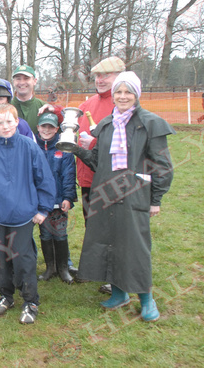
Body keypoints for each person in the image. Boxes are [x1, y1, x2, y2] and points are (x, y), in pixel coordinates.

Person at [71, 72, 174, 322]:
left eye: (128, 92)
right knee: (108, 242)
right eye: (119, 92)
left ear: (137, 94)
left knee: (135, 247)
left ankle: (147, 299)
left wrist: (155, 199)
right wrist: (76, 150)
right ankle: (119, 294)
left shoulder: (150, 123)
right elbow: (98, 161)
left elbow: (162, 165)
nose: (123, 96)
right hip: (105, 194)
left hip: (134, 194)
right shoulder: (106, 124)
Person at [0, 104, 56, 324]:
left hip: (23, 215)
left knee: (24, 260)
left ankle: (30, 301)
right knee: (0, 260)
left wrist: (43, 209)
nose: (5, 126)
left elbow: (44, 179)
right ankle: (5, 296)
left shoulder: (30, 147)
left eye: (9, 121)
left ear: (17, 121)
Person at [77, 56, 126, 221]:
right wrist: (54, 110)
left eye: (106, 75)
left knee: (110, 230)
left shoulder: (123, 106)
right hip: (87, 180)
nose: (100, 80)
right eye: (98, 76)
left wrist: (94, 143)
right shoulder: (88, 104)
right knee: (90, 227)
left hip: (111, 181)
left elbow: (129, 144)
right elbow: (69, 119)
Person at [35, 112, 77, 284]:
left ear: (57, 129)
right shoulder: (32, 147)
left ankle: (63, 268)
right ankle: (50, 268)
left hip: (59, 200)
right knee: (45, 234)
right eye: (43, 126)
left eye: (50, 127)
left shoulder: (63, 148)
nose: (46, 130)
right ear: (38, 128)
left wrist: (67, 197)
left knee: (59, 233)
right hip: (40, 202)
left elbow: (68, 175)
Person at [11, 65, 62, 135]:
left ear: (34, 81)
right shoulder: (6, 107)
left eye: (26, 78)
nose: (22, 82)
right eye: (18, 79)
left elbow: (65, 125)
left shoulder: (44, 108)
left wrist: (56, 110)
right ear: (13, 82)